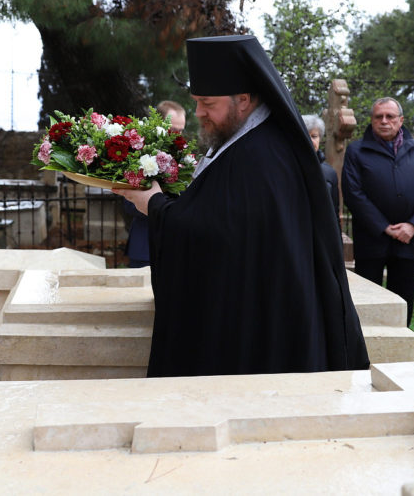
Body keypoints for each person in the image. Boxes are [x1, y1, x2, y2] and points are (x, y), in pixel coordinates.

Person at [114, 34, 368, 377]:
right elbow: (220, 216)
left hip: (265, 334)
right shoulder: (246, 141)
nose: (199, 113)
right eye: (196, 102)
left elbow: (215, 234)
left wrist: (154, 205)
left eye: (207, 103)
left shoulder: (261, 154)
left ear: (244, 100)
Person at [342, 97, 414, 326]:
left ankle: (402, 344)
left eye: (390, 116)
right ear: (372, 120)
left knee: (403, 303)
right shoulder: (356, 151)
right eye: (379, 117)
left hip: (408, 241)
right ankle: (364, 346)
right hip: (372, 240)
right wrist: (384, 227)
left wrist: (413, 226)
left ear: (401, 120)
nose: (384, 121)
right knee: (366, 304)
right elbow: (353, 194)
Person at [123, 100, 186, 268]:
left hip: (176, 248)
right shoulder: (140, 154)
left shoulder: (184, 158)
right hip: (145, 247)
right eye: (173, 130)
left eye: (181, 130)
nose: (178, 136)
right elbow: (129, 204)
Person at [303, 113, 340, 223]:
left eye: (314, 136)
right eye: (305, 135)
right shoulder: (286, 168)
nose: (310, 140)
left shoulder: (329, 173)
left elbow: (334, 212)